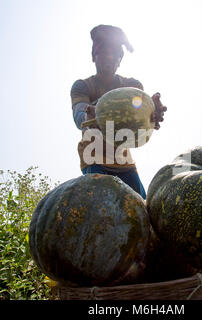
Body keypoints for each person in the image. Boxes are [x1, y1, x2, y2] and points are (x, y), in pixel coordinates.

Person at [71, 25, 167, 199]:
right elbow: (79, 117)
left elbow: (140, 110)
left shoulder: (131, 85)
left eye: (114, 54)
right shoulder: (82, 86)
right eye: (103, 53)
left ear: (120, 59)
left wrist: (151, 112)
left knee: (140, 205)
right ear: (94, 57)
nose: (109, 57)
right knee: (101, 205)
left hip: (123, 160)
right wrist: (89, 115)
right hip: (93, 157)